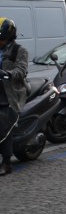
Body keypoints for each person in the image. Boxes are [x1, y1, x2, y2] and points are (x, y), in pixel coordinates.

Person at [0, 18, 29, 176]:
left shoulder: (19, 50)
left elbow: (22, 69)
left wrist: (8, 74)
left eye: (2, 39)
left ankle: (6, 162)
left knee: (4, 125)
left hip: (9, 92)